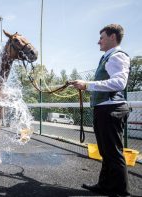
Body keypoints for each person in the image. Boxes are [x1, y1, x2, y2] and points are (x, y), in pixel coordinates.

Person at [71, 24, 131, 196]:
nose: (99, 41)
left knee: (113, 153)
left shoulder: (117, 56)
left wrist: (88, 85)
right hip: (104, 109)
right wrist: (85, 84)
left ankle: (121, 192)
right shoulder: (107, 57)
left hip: (111, 109)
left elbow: (120, 83)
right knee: (106, 152)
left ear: (113, 37)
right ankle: (105, 185)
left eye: (102, 37)